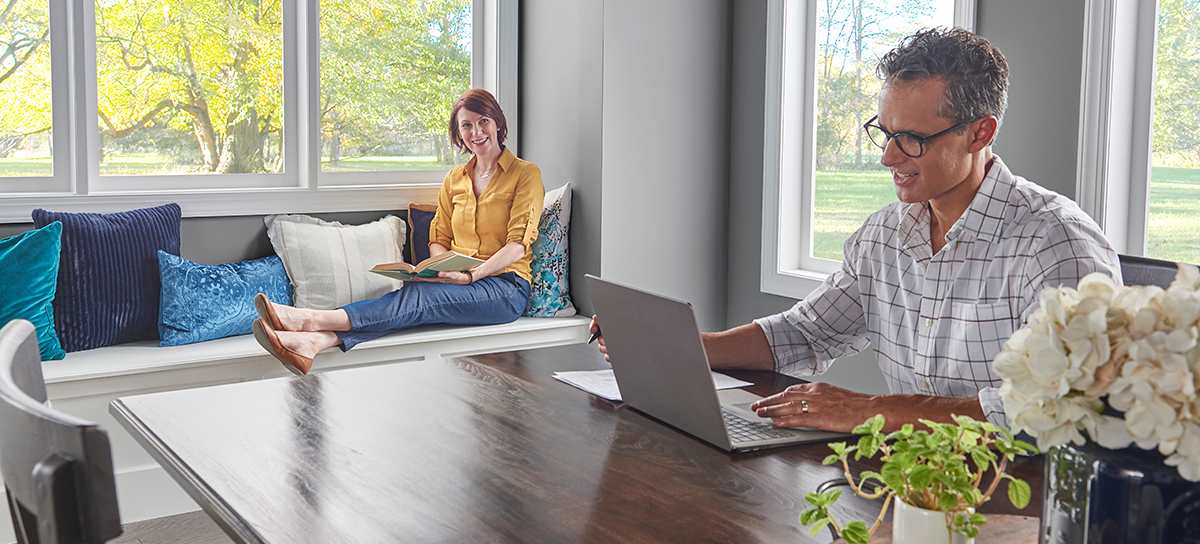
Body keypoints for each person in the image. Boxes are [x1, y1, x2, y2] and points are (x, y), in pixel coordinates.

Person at [593, 28, 1120, 433]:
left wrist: (867, 411)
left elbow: (1055, 409)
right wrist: (681, 347)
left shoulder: (1055, 245)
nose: (889, 157)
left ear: (980, 132)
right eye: (885, 133)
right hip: (907, 482)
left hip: (1022, 503)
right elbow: (805, 332)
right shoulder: (885, 236)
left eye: (912, 138)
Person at [253, 89, 543, 375]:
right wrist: (438, 269)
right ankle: (315, 342)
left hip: (505, 288)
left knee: (420, 301)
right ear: (458, 133)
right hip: (459, 279)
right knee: (413, 295)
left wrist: (470, 276)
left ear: (498, 123)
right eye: (466, 125)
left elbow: (517, 245)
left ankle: (309, 320)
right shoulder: (455, 179)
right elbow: (438, 238)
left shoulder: (525, 174)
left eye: (483, 122)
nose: (476, 131)